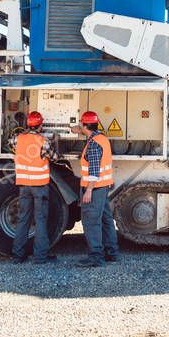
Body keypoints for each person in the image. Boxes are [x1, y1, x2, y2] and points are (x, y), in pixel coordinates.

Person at [72, 110, 119, 267]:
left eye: (81, 125)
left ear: (85, 125)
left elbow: (93, 170)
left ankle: (95, 257)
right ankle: (112, 253)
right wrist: (78, 130)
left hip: (95, 188)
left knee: (91, 222)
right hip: (103, 187)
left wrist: (89, 190)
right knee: (106, 220)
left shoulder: (93, 145)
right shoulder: (102, 138)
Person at [11, 110, 57, 264]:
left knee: (23, 219)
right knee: (41, 220)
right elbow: (55, 157)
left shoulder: (18, 139)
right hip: (39, 186)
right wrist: (55, 141)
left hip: (24, 185)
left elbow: (10, 144)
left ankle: (18, 256)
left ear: (27, 125)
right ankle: (40, 256)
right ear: (40, 125)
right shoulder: (43, 141)